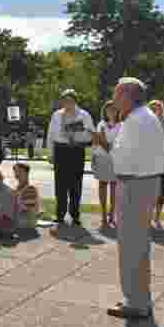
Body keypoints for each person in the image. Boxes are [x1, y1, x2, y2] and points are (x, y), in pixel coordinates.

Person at [107, 77, 164, 320]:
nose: (114, 100)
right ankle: (140, 298)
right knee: (138, 244)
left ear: (128, 96)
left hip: (134, 184)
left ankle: (136, 302)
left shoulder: (135, 120)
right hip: (144, 182)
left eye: (117, 95)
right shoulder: (145, 117)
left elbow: (121, 160)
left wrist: (105, 146)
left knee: (131, 245)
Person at [46, 89, 94, 226]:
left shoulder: (84, 115)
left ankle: (75, 215)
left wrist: (76, 134)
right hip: (60, 150)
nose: (67, 103)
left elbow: (90, 134)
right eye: (64, 100)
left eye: (70, 100)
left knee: (75, 184)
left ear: (75, 100)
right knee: (60, 185)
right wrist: (50, 153)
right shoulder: (56, 115)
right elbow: (50, 135)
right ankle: (60, 215)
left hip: (76, 150)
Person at [92, 101, 122, 229]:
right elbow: (97, 141)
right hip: (102, 158)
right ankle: (104, 215)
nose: (111, 112)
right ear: (105, 111)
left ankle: (112, 215)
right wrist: (96, 150)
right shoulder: (101, 124)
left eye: (113, 109)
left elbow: (120, 142)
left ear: (117, 111)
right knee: (103, 185)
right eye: (108, 110)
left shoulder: (122, 125)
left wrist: (108, 143)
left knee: (115, 187)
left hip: (116, 159)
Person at [147, 100, 164, 228]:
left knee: (162, 188)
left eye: (158, 108)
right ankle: (148, 217)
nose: (155, 111)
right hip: (148, 158)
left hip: (163, 159)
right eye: (152, 108)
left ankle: (157, 218)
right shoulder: (144, 122)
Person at [12, 163, 41, 231]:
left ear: (26, 173)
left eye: (20, 171)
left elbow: (27, 210)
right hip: (21, 221)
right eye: (15, 171)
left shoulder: (30, 189)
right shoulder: (18, 188)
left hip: (26, 224)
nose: (17, 174)